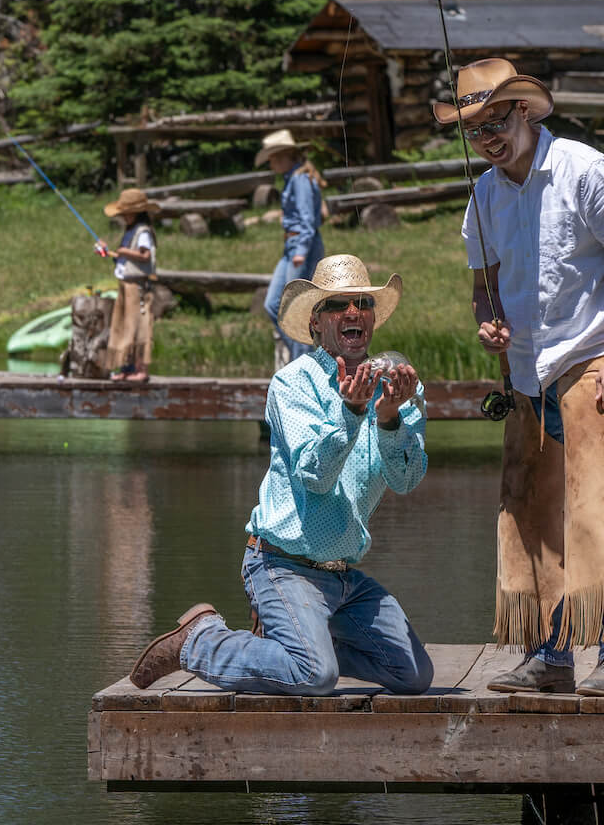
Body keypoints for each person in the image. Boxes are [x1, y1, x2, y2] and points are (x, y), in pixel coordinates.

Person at [437, 58, 604, 697]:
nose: (488, 139)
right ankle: (550, 656)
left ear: (525, 112)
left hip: (590, 362)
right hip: (527, 377)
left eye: (495, 122)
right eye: (474, 131)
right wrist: (489, 322)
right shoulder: (483, 196)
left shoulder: (585, 171)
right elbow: (484, 285)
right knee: (532, 516)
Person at [128, 254, 433, 696]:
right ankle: (199, 640)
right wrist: (351, 412)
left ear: (372, 318)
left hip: (343, 574)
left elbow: (407, 480)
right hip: (281, 565)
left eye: (363, 302)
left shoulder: (400, 387)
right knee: (315, 676)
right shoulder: (293, 383)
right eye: (337, 305)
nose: (353, 313)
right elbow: (315, 475)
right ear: (316, 322)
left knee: (414, 675)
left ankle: (297, 645)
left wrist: (388, 420)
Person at [257, 129, 326, 367]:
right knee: (274, 303)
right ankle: (304, 356)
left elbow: (308, 219)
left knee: (296, 306)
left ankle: (303, 361)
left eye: (275, 157)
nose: (272, 162)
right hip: (291, 245)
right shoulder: (292, 178)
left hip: (300, 246)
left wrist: (301, 251)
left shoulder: (300, 180)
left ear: (288, 155)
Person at [98, 188, 160, 382]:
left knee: (139, 328)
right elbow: (125, 258)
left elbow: (144, 255)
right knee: (124, 327)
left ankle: (141, 371)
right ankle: (126, 368)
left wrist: (124, 252)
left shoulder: (143, 232)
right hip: (125, 285)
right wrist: (110, 253)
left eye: (126, 212)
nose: (124, 216)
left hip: (138, 287)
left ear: (136, 212)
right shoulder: (130, 231)